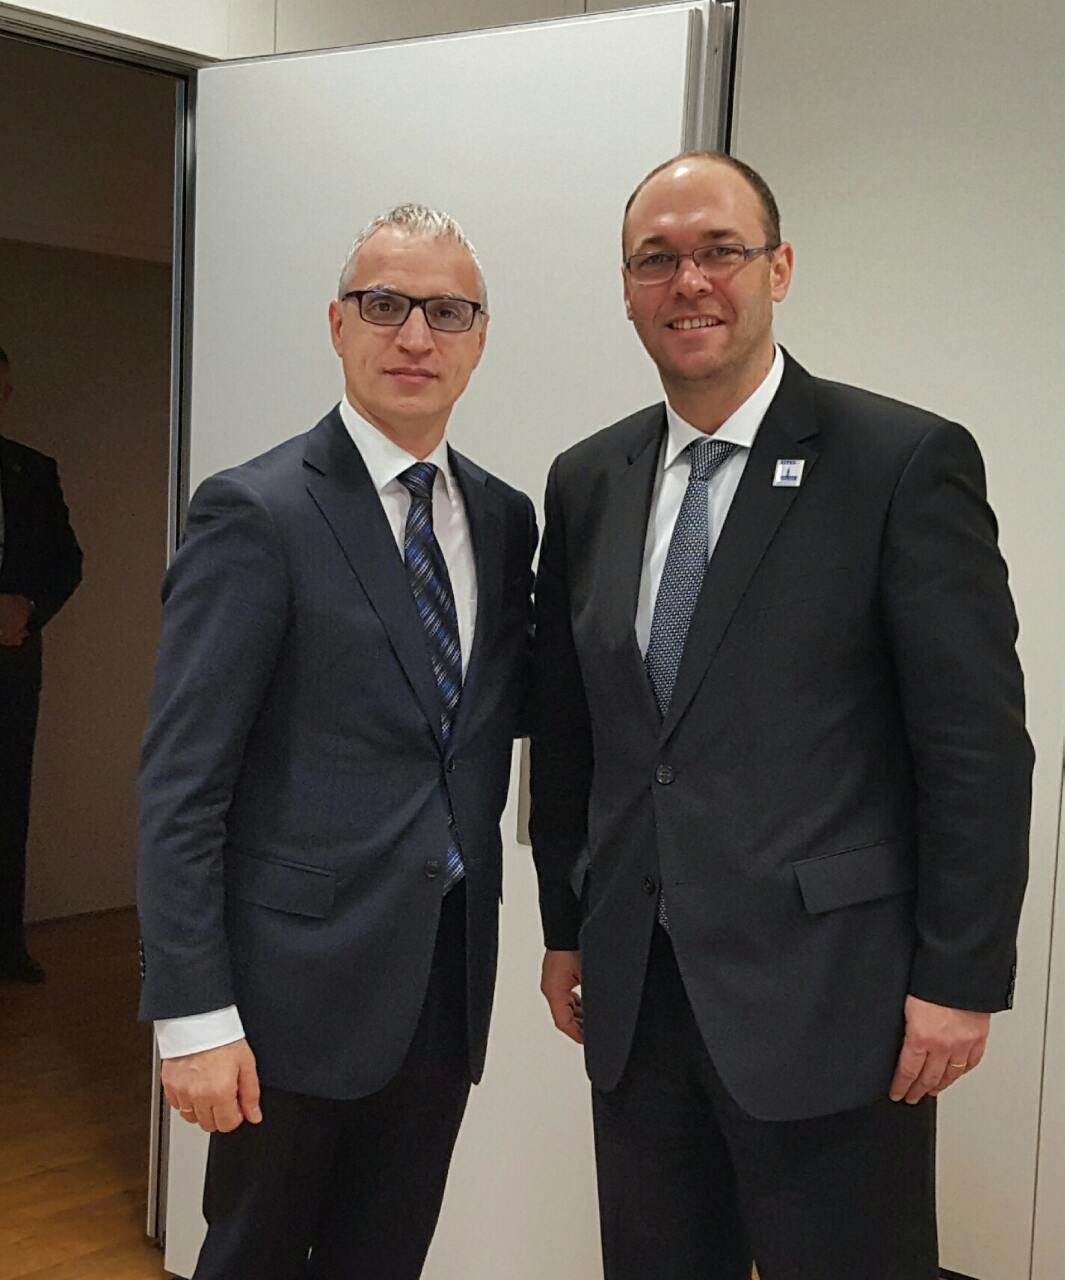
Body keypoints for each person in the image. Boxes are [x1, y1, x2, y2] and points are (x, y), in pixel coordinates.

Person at [529, 152, 1032, 1280]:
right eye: (657, 259)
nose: (689, 281)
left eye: (719, 250)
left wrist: (959, 973)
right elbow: (572, 729)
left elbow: (976, 747)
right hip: (637, 995)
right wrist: (567, 921)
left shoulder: (900, 461)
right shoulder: (587, 479)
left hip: (833, 994)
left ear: (780, 267)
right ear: (626, 289)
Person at [137, 205, 536, 1280]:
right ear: (337, 322)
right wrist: (190, 1010)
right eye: (386, 304)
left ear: (480, 336)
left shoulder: (504, 520)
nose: (416, 335)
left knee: (384, 1259)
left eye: (447, 311)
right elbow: (182, 786)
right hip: (284, 1000)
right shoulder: (256, 513)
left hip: (441, 984)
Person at [0, 346, 83, 984]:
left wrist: (28, 610)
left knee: (10, 801)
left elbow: (67, 560)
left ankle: (6, 945)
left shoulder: (32, 469)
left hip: (13, 660)